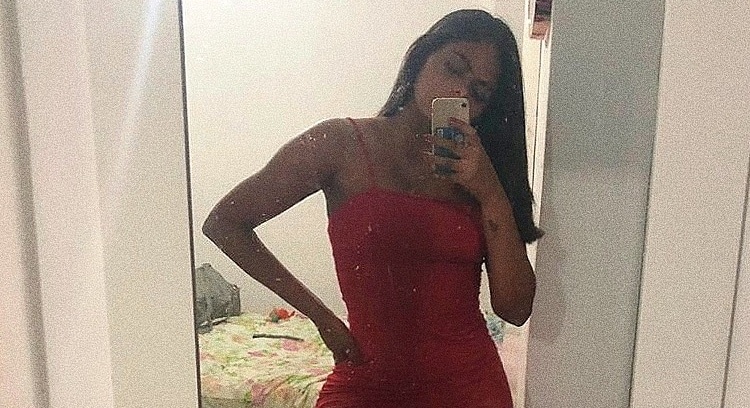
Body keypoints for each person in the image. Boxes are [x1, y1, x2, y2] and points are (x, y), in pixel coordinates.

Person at [202, 9, 543, 408]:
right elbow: (225, 223)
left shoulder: (481, 170)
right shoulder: (339, 145)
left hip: (470, 388)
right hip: (366, 382)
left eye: (479, 92)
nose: (460, 92)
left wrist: (489, 190)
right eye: (453, 67)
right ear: (420, 58)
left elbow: (515, 309)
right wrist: (322, 318)